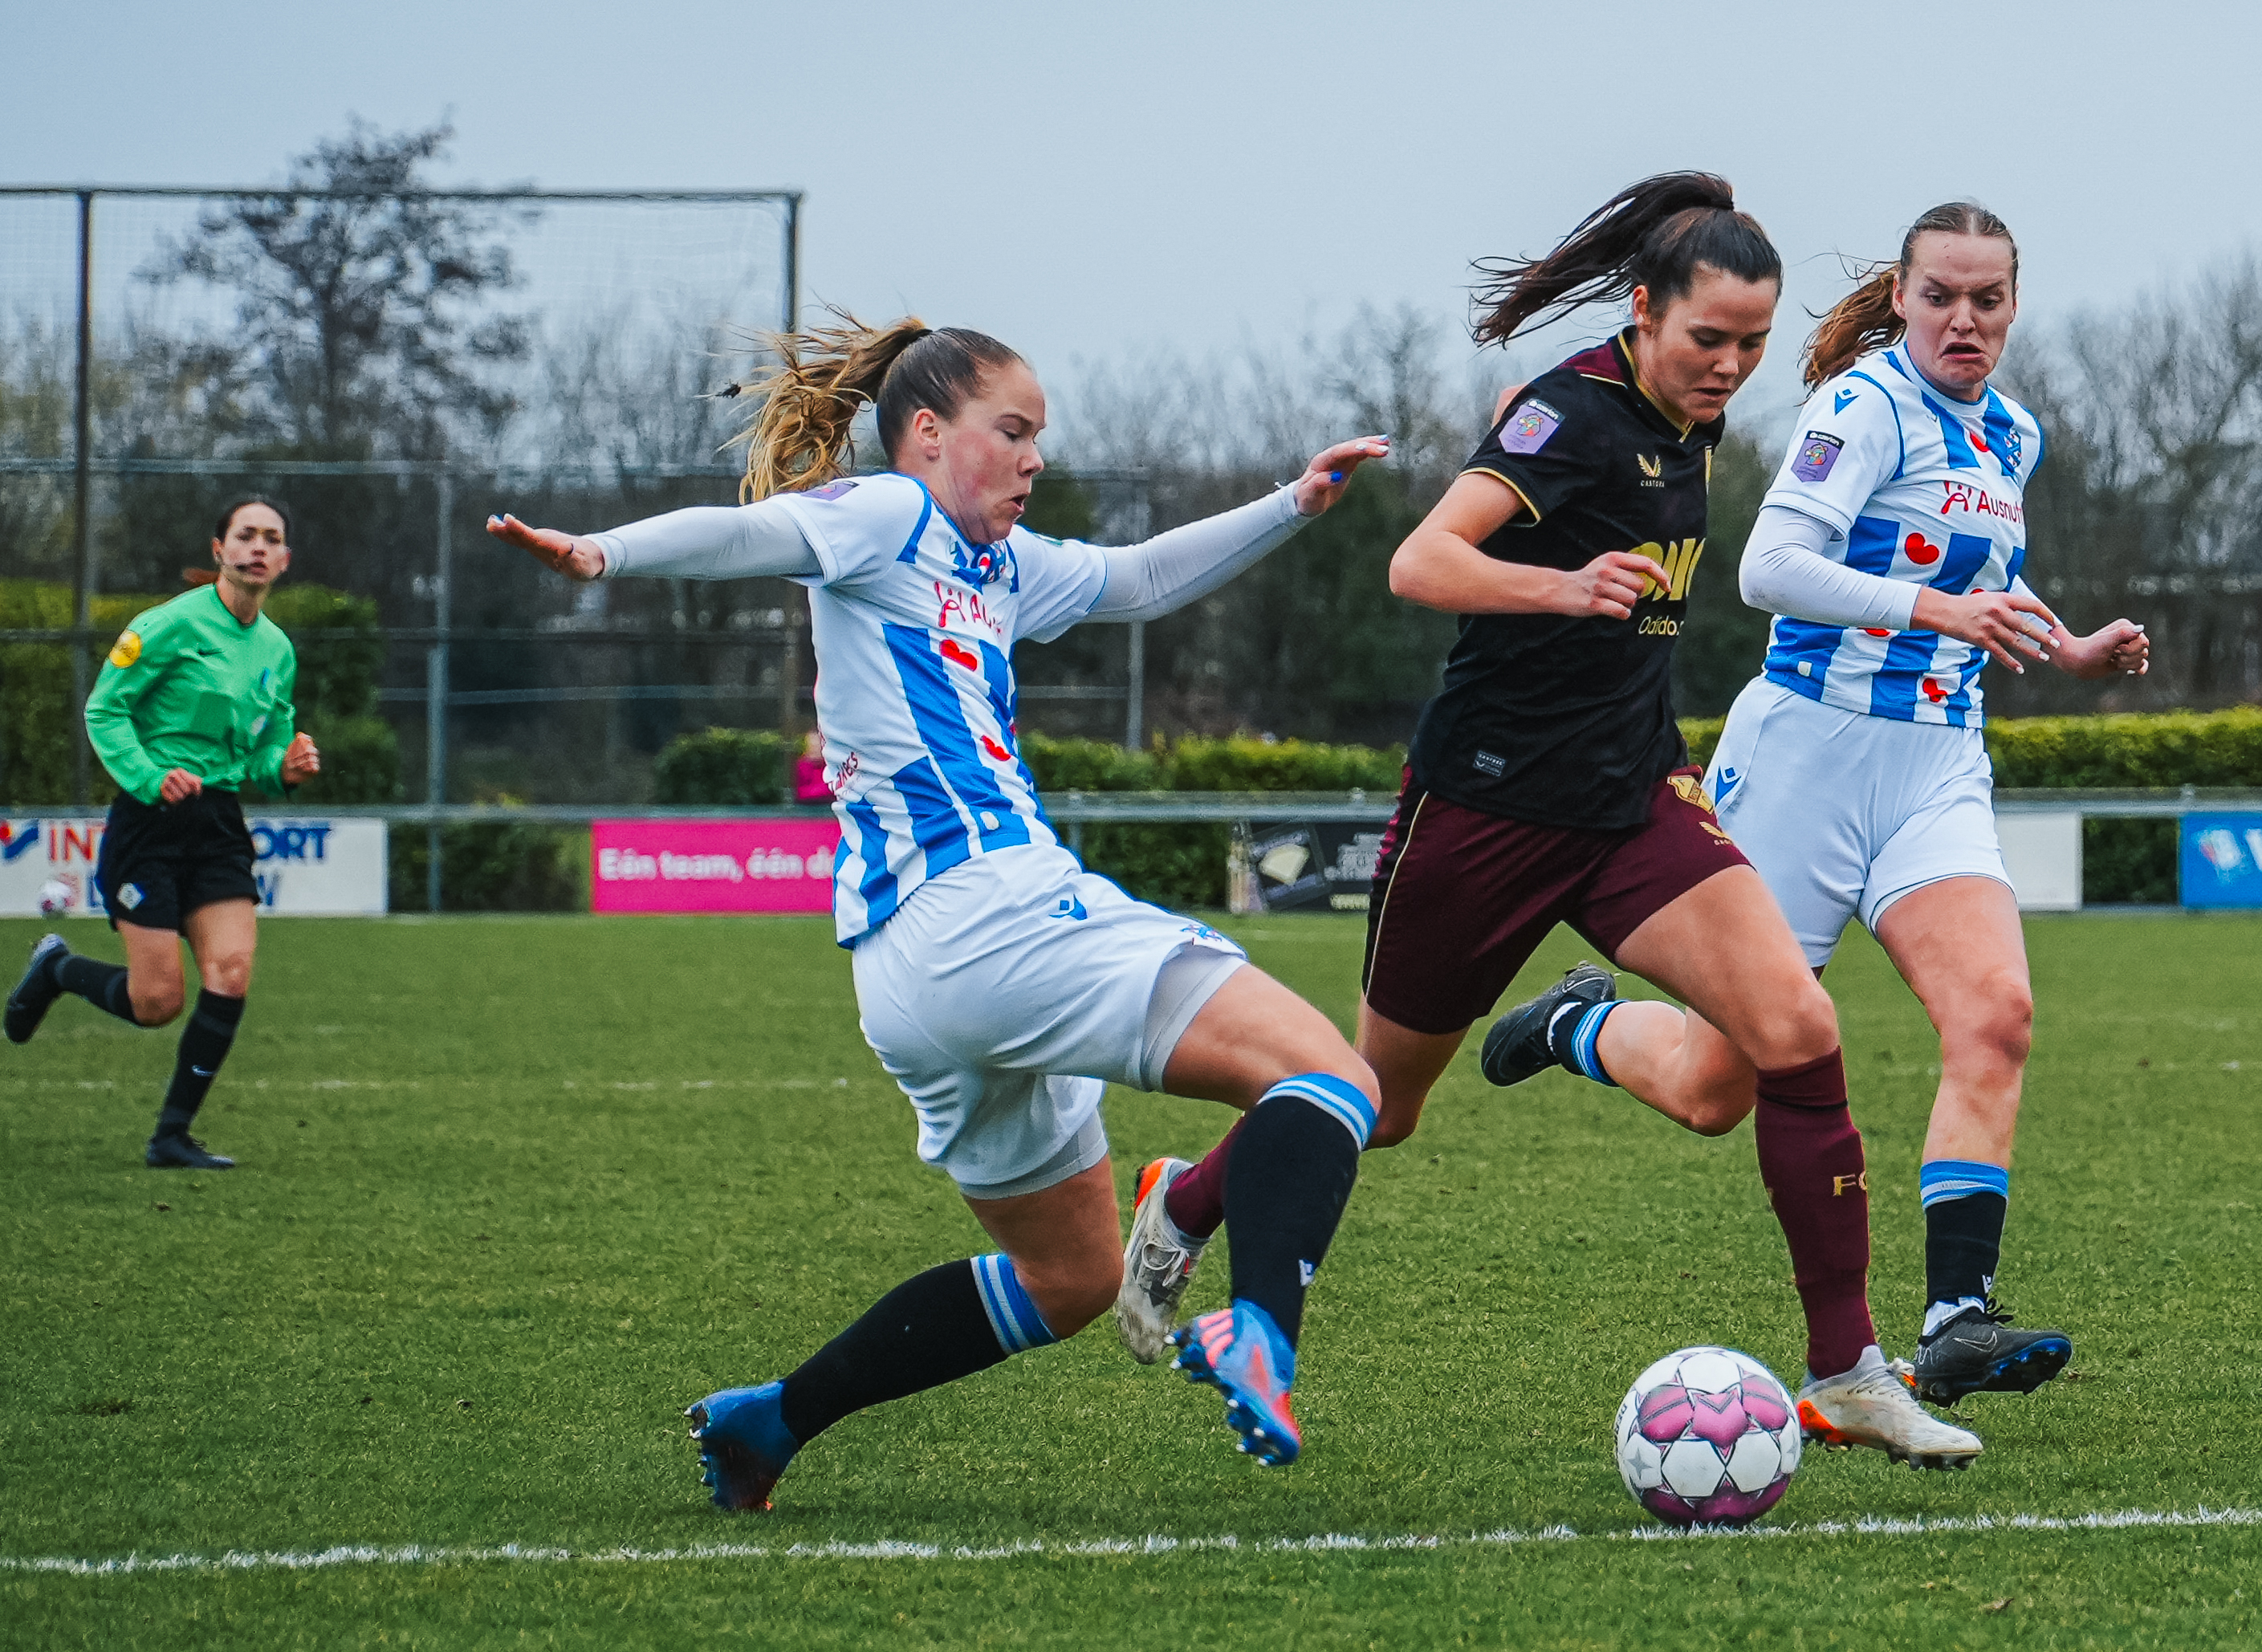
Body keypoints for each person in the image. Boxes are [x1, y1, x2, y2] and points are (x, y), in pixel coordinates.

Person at [1118, 173, 1982, 1471]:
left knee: (1794, 1033)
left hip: (1631, 798)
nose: (1730, 367)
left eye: (1751, 343)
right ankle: (1183, 1199)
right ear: (1642, 312)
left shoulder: (1688, 426)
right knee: (1373, 1103)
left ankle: (1846, 1370)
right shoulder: (1565, 413)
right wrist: (1559, 583)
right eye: (1708, 339)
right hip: (1482, 809)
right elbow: (1423, 560)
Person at [484, 315, 1394, 1505]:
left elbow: (1136, 577)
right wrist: (602, 554)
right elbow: (751, 531)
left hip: (910, 976)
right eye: (1010, 432)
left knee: (1068, 1278)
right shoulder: (889, 514)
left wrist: (1288, 502)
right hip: (991, 910)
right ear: (926, 433)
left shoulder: (997, 568)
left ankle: (771, 1420)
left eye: (1037, 439)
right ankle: (1259, 1330)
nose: (1031, 460)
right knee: (1331, 1080)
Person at [1707, 201, 2150, 1414]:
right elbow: (1765, 569)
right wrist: (1933, 616)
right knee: (1714, 1082)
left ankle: (1954, 1321)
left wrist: (2064, 648)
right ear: (1900, 297)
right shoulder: (1858, 409)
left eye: (1988, 299)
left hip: (1936, 764)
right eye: (1941, 296)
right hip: (1807, 752)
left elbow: (1981, 578)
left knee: (1995, 1013)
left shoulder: (2011, 434)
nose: (1965, 320)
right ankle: (1576, 1025)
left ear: (2013, 304)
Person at [6, 495, 323, 1170]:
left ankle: (171, 1137)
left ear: (285, 560)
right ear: (220, 550)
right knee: (157, 1003)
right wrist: (150, 777)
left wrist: (287, 766)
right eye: (246, 535)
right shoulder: (168, 625)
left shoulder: (276, 650)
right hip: (149, 823)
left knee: (231, 974)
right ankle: (56, 969)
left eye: (272, 538)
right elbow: (105, 710)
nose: (258, 547)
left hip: (218, 822)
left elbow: (262, 753)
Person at [792, 726, 832, 804]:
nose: (815, 749)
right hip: (808, 807)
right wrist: (826, 788)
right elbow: (801, 793)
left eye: (817, 745)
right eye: (812, 746)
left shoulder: (830, 764)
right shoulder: (803, 765)